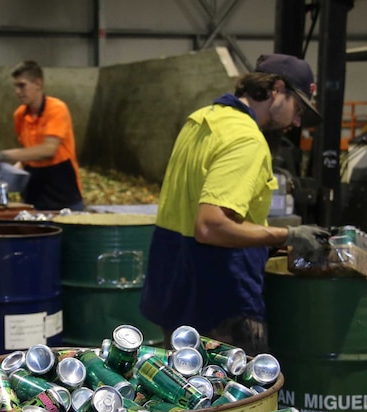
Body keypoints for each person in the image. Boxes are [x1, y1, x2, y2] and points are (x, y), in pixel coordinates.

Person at [140, 53, 330, 356]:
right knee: (238, 401)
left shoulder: (202, 120)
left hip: (177, 292)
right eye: (299, 108)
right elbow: (209, 225)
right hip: (221, 302)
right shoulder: (246, 140)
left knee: (187, 395)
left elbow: (195, 206)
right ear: (277, 89)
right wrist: (288, 236)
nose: (297, 122)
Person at [0, 60, 84, 211]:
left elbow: (48, 150)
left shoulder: (56, 109)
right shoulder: (20, 115)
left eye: (22, 85)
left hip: (63, 193)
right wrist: (3, 179)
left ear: (38, 84)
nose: (18, 91)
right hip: (35, 193)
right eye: (15, 86)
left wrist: (4, 155)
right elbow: (28, 154)